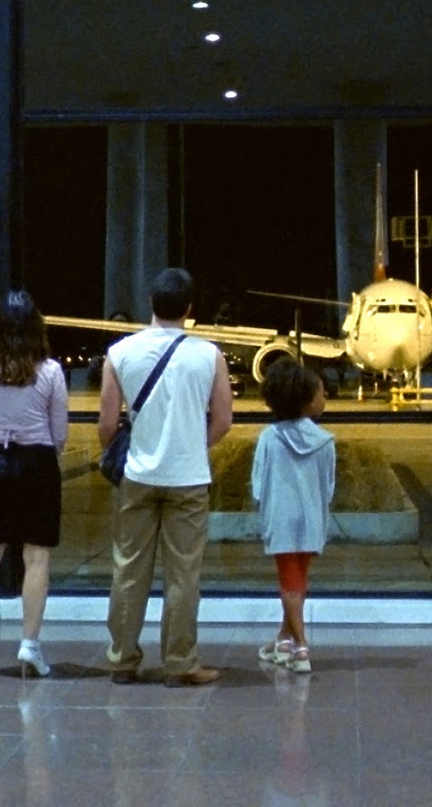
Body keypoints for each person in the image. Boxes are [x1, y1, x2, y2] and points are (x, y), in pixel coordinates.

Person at [99, 267, 233, 687]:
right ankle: (180, 664)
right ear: (189, 308)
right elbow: (223, 420)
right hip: (188, 478)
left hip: (137, 476)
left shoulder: (120, 352)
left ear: (150, 304)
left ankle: (122, 660)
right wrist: (192, 444)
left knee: (128, 569)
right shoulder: (209, 355)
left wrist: (121, 454)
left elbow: (107, 423)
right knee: (183, 574)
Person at [0, 290, 69, 679]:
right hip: (38, 463)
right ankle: (29, 647)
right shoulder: (50, 372)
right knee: (36, 558)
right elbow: (59, 433)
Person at [252, 357, 334, 675]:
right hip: (312, 518)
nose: (325, 398)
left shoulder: (269, 438)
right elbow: (328, 486)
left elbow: (258, 485)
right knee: (298, 579)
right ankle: (284, 641)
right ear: (307, 401)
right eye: (321, 394)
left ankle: (299, 645)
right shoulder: (325, 442)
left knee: (290, 580)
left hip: (280, 517)